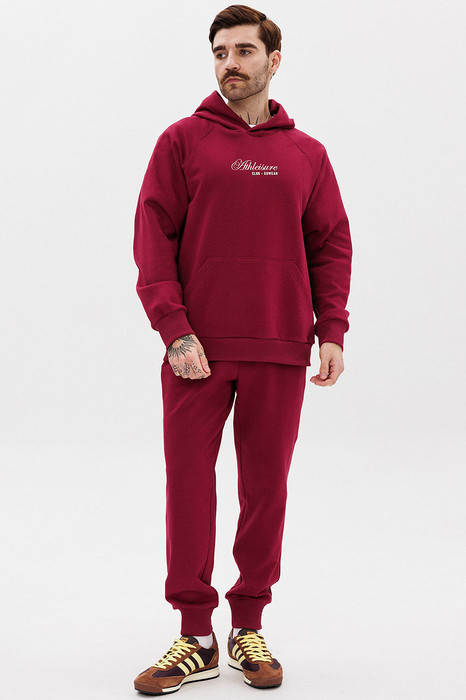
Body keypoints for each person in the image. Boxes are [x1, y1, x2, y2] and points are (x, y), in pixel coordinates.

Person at [132, 4, 353, 694]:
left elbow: (331, 244)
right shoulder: (181, 142)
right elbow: (152, 239)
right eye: (220, 52)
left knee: (265, 491)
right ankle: (195, 636)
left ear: (273, 60)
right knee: (188, 488)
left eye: (244, 51)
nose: (230, 64)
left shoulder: (307, 154)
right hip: (195, 349)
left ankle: (248, 623)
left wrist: (332, 329)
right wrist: (174, 329)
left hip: (280, 346)